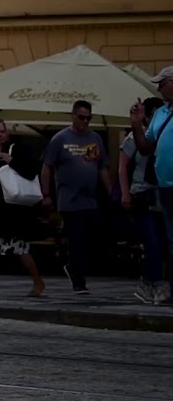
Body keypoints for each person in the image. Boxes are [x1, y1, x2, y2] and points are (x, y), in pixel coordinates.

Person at [40, 100, 112, 295]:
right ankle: (79, 280)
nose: (85, 121)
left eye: (89, 118)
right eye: (82, 117)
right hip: (69, 199)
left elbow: (102, 166)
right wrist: (46, 194)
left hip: (91, 198)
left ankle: (73, 267)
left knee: (93, 237)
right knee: (77, 238)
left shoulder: (95, 138)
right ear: (73, 116)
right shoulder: (60, 138)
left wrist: (110, 191)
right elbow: (47, 166)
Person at [0, 119, 44, 299]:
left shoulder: (14, 150)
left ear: (7, 133)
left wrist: (13, 161)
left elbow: (32, 170)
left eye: (2, 131)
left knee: (20, 249)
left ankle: (38, 281)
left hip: (10, 211)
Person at [127, 66, 173, 304]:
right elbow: (145, 147)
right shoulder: (161, 113)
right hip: (165, 187)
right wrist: (136, 124)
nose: (158, 88)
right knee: (169, 240)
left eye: (161, 83)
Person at [121, 97, 168, 304]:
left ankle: (145, 284)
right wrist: (125, 193)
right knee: (153, 244)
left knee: (162, 244)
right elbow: (122, 166)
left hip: (161, 196)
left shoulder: (163, 135)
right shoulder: (134, 138)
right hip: (142, 194)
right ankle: (158, 285)